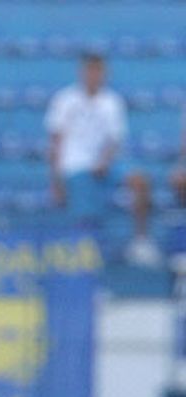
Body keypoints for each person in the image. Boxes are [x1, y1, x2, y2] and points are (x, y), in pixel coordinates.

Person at [45, 52, 155, 265]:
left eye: (99, 71)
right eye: (91, 70)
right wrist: (56, 181)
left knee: (139, 181)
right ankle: (89, 264)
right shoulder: (65, 100)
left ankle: (140, 240)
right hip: (75, 165)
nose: (95, 76)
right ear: (82, 72)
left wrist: (104, 161)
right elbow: (55, 143)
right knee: (86, 217)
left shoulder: (112, 102)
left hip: (106, 164)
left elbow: (115, 140)